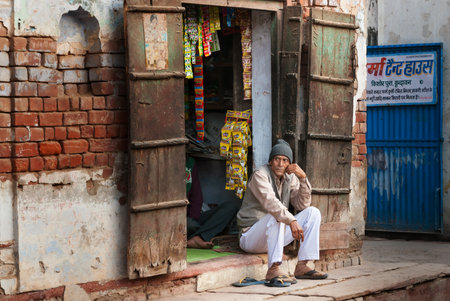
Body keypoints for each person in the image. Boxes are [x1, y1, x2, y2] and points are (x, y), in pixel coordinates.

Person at [236, 139, 328, 283]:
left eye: (285, 160)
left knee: (313, 212)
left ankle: (302, 265)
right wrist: (291, 220)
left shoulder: (290, 178)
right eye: (277, 159)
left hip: (274, 237)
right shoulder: (260, 174)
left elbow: (302, 204)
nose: (280, 164)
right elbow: (271, 203)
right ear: (270, 162)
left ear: (289, 164)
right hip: (250, 236)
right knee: (277, 215)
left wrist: (303, 178)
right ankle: (273, 269)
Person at [186, 156, 239, 249]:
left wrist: (193, 218)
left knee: (230, 207)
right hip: (176, 221)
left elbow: (197, 196)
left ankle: (198, 237)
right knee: (190, 225)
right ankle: (206, 233)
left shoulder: (190, 162)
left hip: (192, 219)